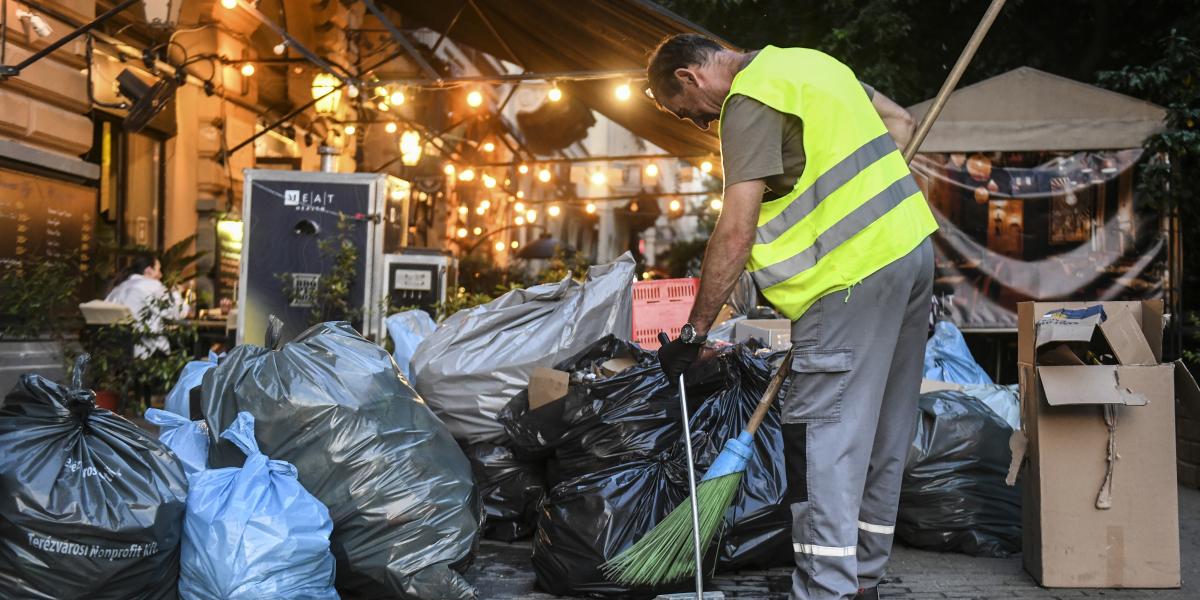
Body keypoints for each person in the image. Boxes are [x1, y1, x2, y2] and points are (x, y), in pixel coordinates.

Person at [647, 35, 938, 600]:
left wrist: (693, 332)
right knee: (882, 430)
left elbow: (736, 229)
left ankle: (827, 589)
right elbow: (899, 124)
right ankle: (863, 580)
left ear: (689, 77)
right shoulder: (807, 63)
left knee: (824, 437)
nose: (704, 125)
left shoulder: (749, 101)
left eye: (691, 115)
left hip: (846, 283)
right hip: (910, 255)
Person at [105, 251, 189, 357]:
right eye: (159, 270)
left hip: (118, 355)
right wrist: (177, 293)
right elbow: (178, 314)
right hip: (151, 354)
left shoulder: (118, 289)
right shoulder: (152, 286)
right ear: (148, 271)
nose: (161, 275)